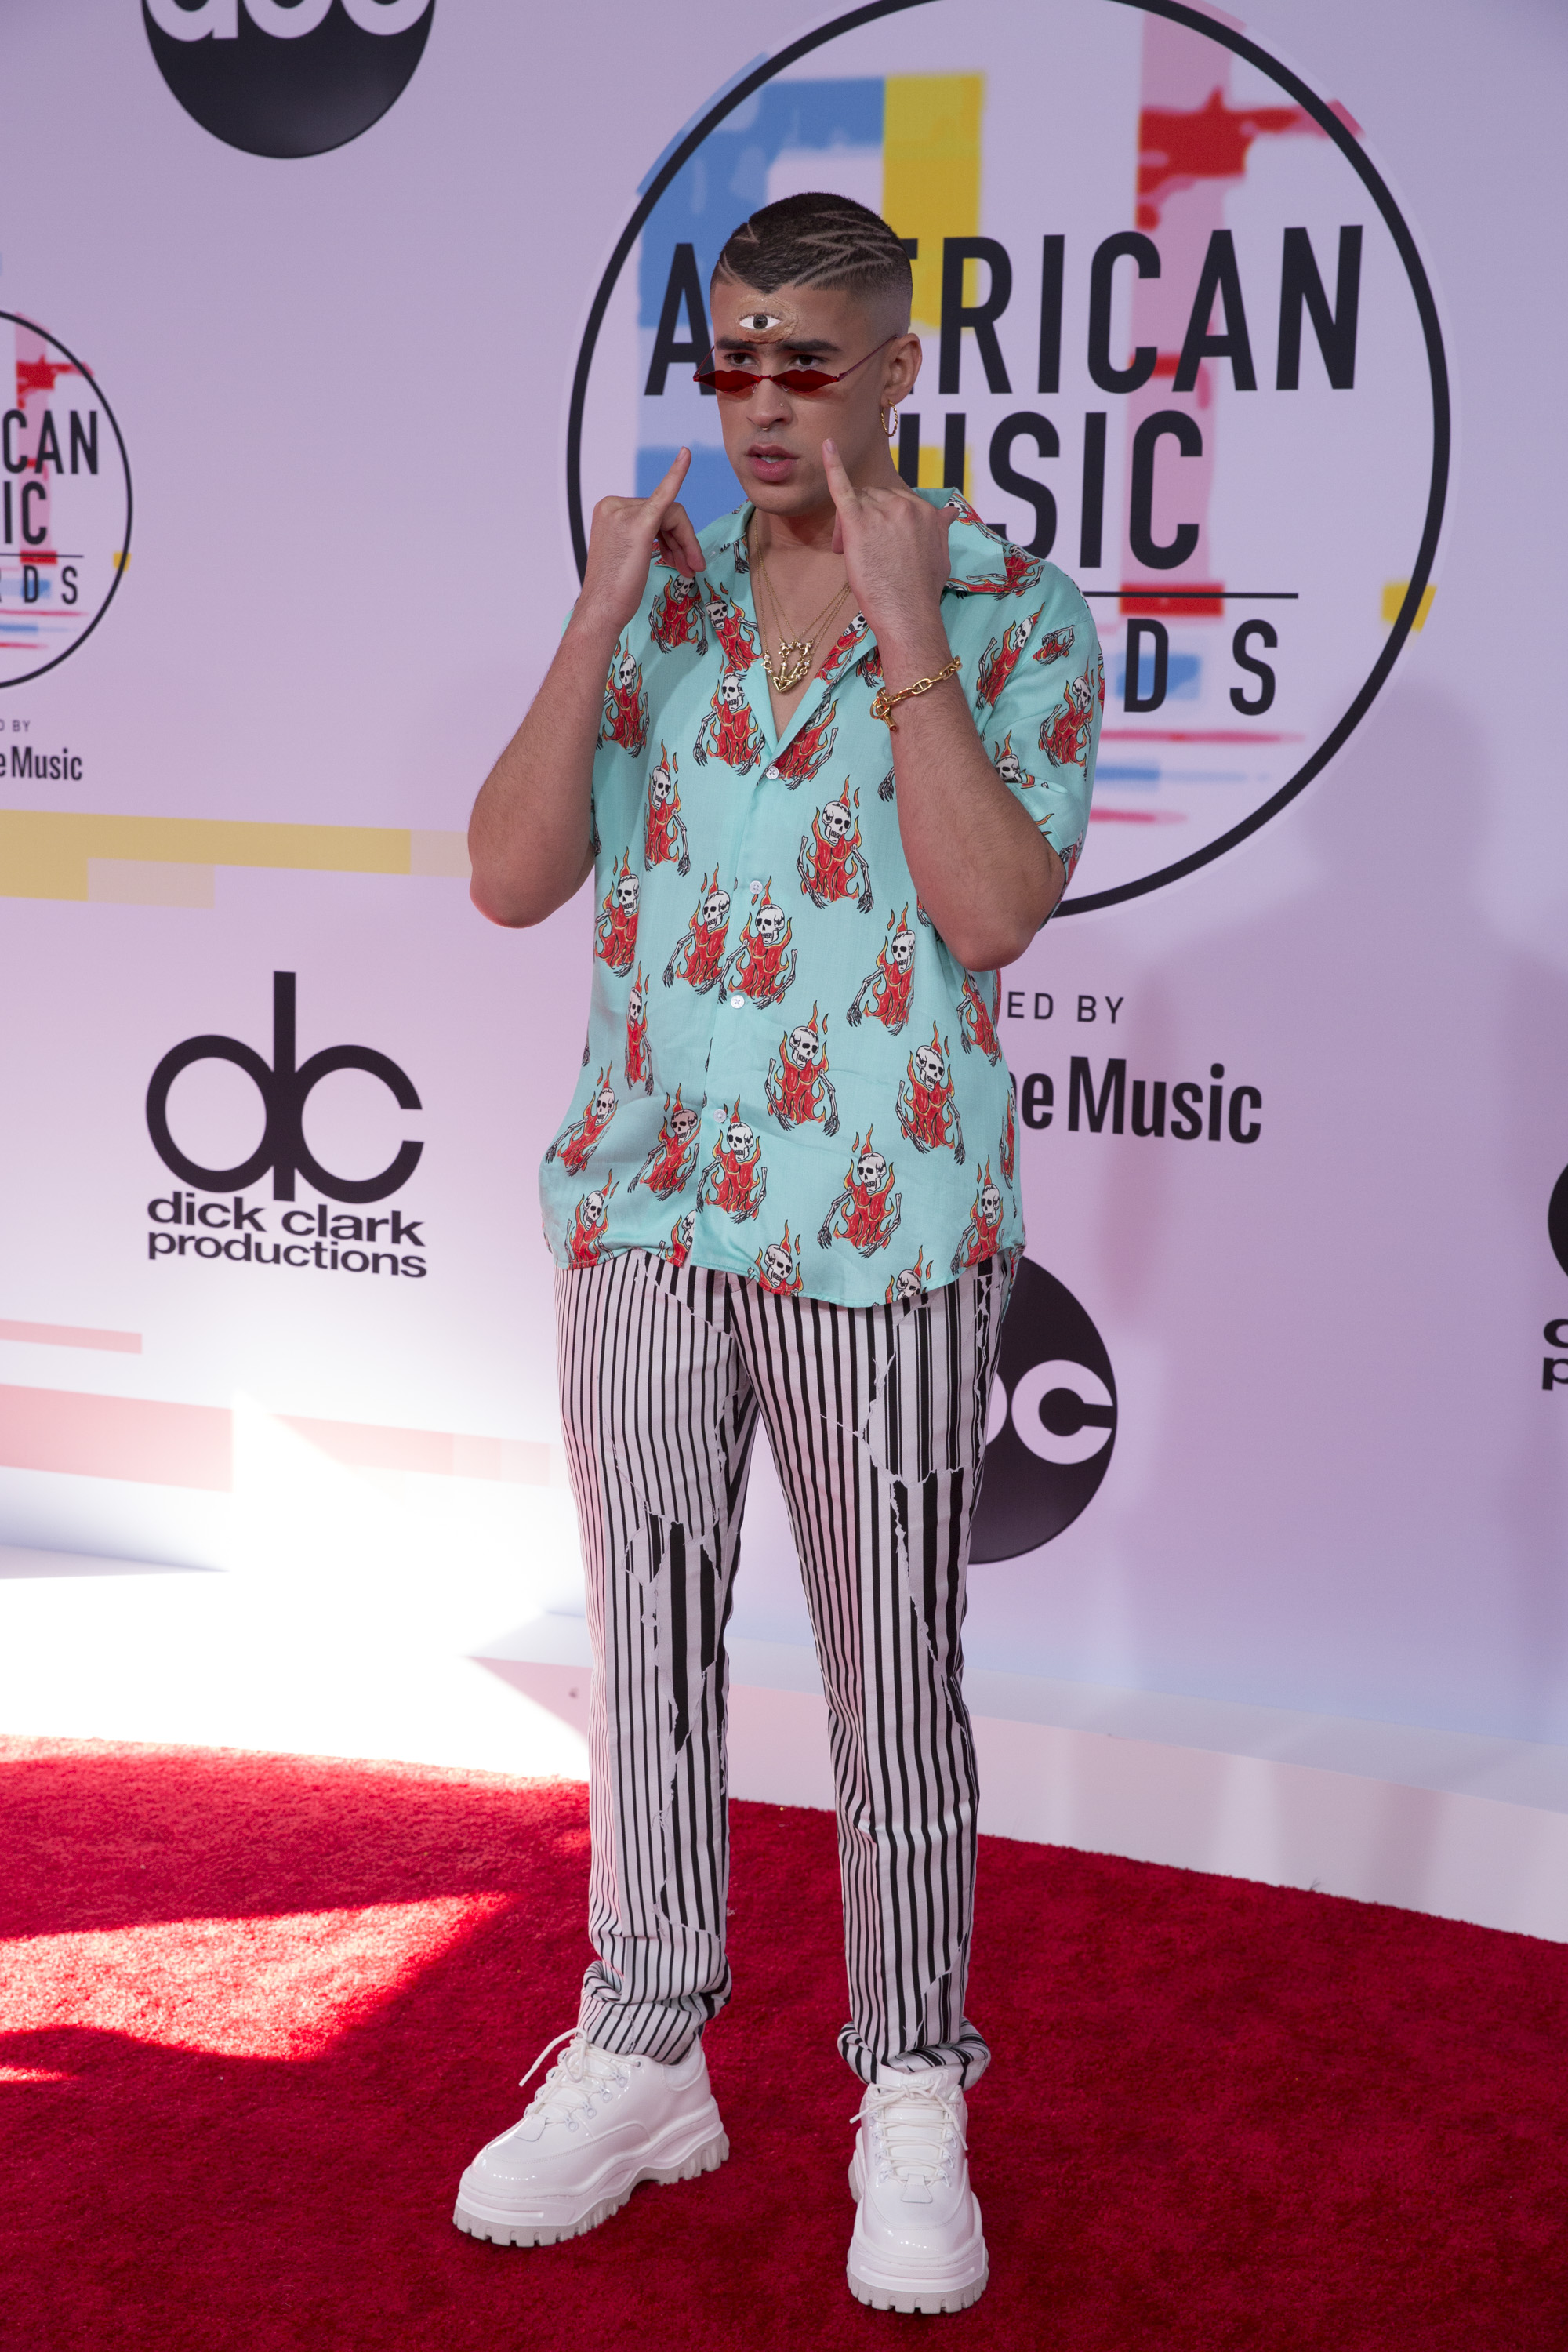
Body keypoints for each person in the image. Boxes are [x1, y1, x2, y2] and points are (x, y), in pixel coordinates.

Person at [456, 191, 1100, 2316]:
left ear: (896, 369)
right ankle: (646, 2041)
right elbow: (508, 880)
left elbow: (992, 912)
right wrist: (591, 621)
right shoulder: (655, 594)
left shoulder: (1014, 609)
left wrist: (908, 634)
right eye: (731, 352)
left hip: (882, 1232)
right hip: (648, 1209)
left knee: (892, 1674)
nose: (759, 397)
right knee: (642, 1642)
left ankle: (910, 2085)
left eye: (805, 357)